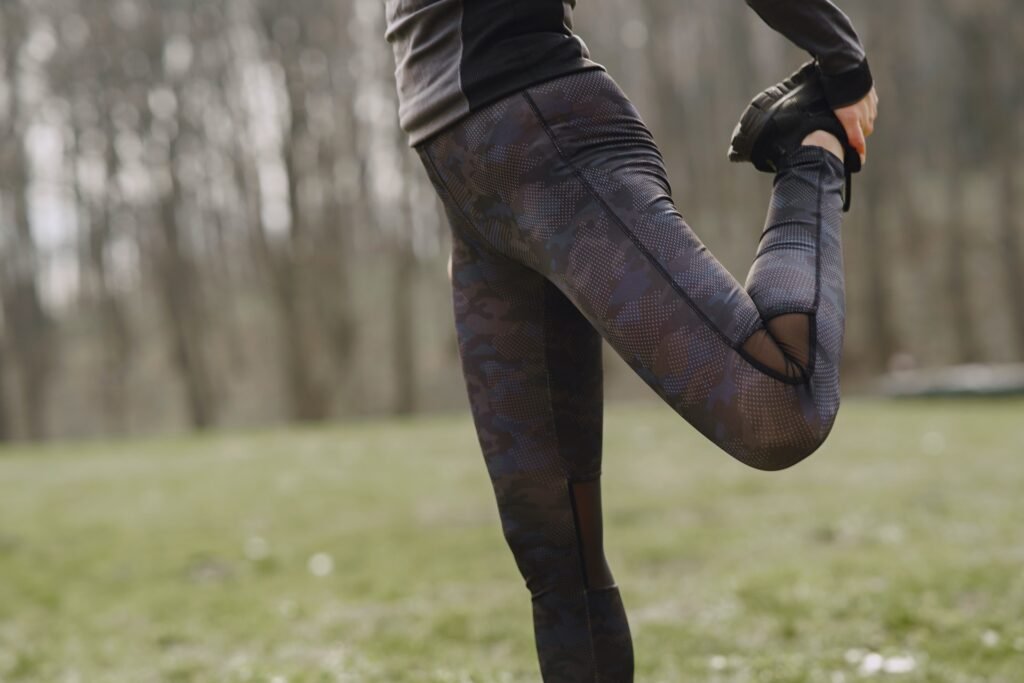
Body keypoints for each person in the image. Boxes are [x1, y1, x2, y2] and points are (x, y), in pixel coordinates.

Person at [385, 1, 879, 680]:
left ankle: (810, 147)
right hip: (470, 188)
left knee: (782, 409)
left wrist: (843, 63)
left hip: (549, 139)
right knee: (554, 555)